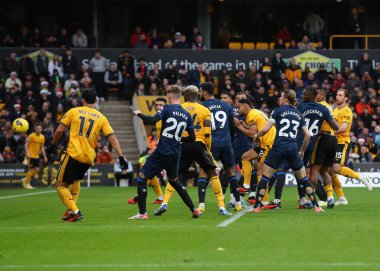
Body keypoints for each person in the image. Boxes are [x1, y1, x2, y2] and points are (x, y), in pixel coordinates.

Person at [52, 89, 128, 222]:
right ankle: (70, 211)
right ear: (96, 101)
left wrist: (53, 143)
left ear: (83, 101)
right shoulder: (101, 117)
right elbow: (113, 138)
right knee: (75, 181)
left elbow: (59, 130)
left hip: (74, 153)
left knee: (60, 185)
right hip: (88, 157)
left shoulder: (73, 111)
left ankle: (75, 211)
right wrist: (121, 157)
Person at [154, 85, 231, 216]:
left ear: (186, 95)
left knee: (174, 176)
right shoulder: (205, 110)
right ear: (197, 95)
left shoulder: (179, 108)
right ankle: (222, 207)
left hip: (182, 144)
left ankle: (164, 203)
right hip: (199, 144)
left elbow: (161, 125)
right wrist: (208, 147)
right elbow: (208, 133)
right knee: (212, 173)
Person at [131, 86, 200, 220]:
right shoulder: (186, 114)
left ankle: (142, 213)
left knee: (142, 178)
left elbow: (151, 120)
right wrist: (179, 138)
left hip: (163, 150)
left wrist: (138, 113)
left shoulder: (166, 108)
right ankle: (194, 209)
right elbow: (192, 138)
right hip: (175, 153)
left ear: (169, 96)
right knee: (174, 181)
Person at [250, 89, 323, 213]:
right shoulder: (299, 114)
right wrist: (302, 151)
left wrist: (256, 136)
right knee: (303, 179)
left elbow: (265, 129)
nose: (279, 98)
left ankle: (257, 207)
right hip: (292, 148)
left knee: (265, 177)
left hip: (278, 147)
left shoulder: (277, 111)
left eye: (281, 96)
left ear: (286, 99)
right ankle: (316, 206)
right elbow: (308, 135)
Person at [200, 82, 243, 211]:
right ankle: (238, 203)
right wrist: (228, 138)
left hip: (211, 143)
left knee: (204, 172)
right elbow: (232, 125)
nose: (200, 93)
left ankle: (201, 204)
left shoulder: (203, 106)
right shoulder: (226, 105)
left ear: (206, 93)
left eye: (201, 91)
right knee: (231, 172)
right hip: (226, 143)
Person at [329, 89, 372, 206]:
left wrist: (330, 133)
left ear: (346, 98)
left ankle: (362, 177)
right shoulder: (335, 110)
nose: (337, 96)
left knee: (336, 169)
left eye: (340, 95)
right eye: (337, 94)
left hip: (342, 143)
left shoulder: (347, 111)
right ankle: (341, 198)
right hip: (333, 143)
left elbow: (343, 128)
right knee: (330, 171)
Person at [234, 98, 276, 206]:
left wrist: (239, 126)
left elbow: (253, 134)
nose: (237, 110)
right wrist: (246, 126)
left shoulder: (251, 115)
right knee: (246, 158)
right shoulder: (256, 112)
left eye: (238, 107)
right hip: (265, 143)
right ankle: (251, 190)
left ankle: (249, 188)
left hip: (266, 144)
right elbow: (257, 130)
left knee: (260, 171)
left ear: (245, 105)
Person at [127, 97, 167, 205]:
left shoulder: (165, 117)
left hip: (167, 150)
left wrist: (139, 113)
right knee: (148, 168)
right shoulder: (159, 118)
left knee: (146, 167)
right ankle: (160, 198)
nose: (158, 107)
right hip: (162, 149)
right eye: (157, 105)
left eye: (161, 105)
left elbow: (150, 120)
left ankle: (139, 196)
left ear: (166, 105)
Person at [309, 88, 340, 208]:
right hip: (333, 139)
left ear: (321, 96)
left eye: (316, 95)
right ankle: (330, 198)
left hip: (323, 138)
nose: (314, 97)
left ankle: (311, 200)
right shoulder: (329, 107)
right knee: (324, 171)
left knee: (314, 170)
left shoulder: (319, 106)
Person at [22, 124, 48, 189]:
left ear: (41, 129)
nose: (38, 130)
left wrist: (44, 156)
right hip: (31, 156)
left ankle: (25, 179)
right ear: (35, 129)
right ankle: (27, 184)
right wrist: (27, 153)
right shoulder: (31, 136)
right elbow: (26, 145)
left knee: (37, 170)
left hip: (37, 156)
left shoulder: (42, 137)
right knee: (30, 170)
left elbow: (42, 147)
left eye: (40, 128)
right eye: (37, 128)